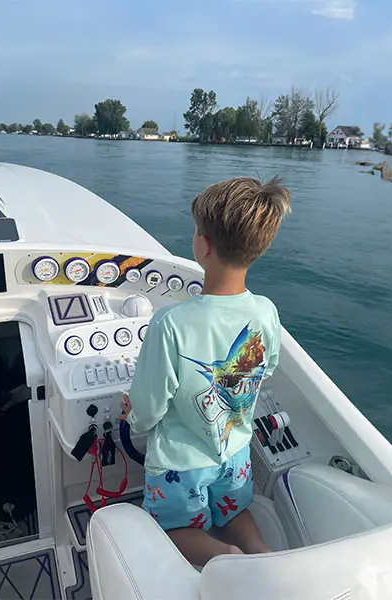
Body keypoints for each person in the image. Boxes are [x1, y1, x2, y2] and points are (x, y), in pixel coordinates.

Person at [120, 176, 291, 567]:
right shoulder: (266, 310)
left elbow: (149, 405)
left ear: (204, 245)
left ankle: (225, 555)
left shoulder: (171, 323)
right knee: (232, 511)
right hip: (235, 454)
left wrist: (132, 418)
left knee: (174, 528)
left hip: (182, 467)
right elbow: (266, 369)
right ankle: (261, 554)